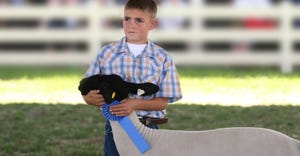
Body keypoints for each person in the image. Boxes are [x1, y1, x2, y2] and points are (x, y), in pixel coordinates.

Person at [81, 0, 182, 155]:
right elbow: (87, 89)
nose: (131, 24)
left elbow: (162, 102)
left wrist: (134, 104)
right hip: (115, 128)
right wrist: (90, 99)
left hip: (148, 129)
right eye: (127, 19)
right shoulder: (106, 53)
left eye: (139, 20)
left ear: (152, 25)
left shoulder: (162, 58)